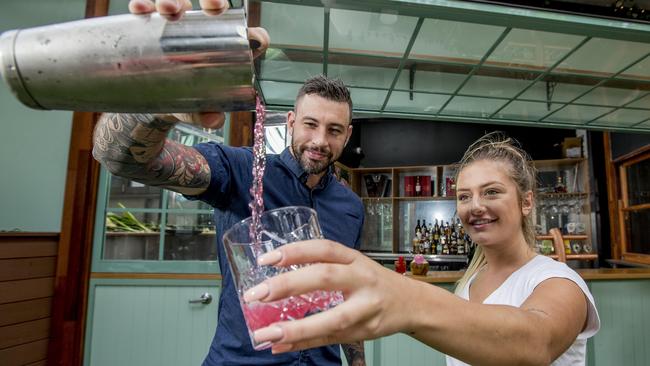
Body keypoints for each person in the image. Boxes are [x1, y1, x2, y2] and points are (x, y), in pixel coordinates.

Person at [92, 1, 367, 365]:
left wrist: (359, 362)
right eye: (310, 124)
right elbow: (117, 156)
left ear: (346, 136)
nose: (320, 140)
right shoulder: (241, 171)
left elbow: (346, 293)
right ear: (290, 121)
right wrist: (161, 99)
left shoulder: (351, 208)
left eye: (333, 130)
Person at [242, 132, 600, 365]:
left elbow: (534, 343)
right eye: (464, 196)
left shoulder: (559, 282)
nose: (475, 206)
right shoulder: (470, 284)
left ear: (526, 202)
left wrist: (405, 298)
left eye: (491, 192)